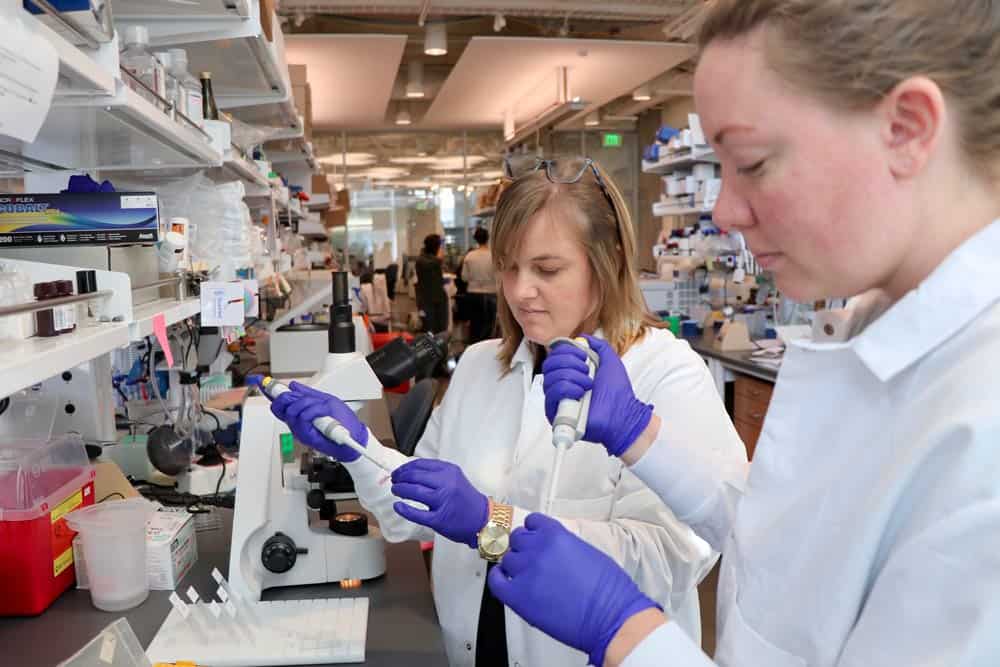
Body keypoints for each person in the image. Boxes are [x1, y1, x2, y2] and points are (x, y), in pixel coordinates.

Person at [486, 2, 1000, 666]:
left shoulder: (982, 426)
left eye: (752, 162)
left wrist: (623, 631)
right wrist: (641, 436)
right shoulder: (865, 332)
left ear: (906, 130)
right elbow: (784, 545)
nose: (725, 210)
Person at [268, 158, 746, 666]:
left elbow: (673, 560)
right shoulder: (479, 366)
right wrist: (358, 449)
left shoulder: (666, 372)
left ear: (608, 260)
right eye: (508, 266)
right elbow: (413, 514)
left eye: (547, 269)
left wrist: (489, 523)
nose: (519, 291)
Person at [459, 226, 498, 343]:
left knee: (475, 324)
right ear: (488, 238)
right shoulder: (493, 256)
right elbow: (499, 276)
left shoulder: (469, 256)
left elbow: (464, 277)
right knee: (489, 325)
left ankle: (474, 349)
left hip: (473, 294)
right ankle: (486, 351)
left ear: (475, 239)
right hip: (491, 293)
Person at [415, 233, 449, 334]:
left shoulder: (430, 259)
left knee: (441, 330)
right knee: (430, 331)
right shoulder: (423, 260)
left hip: (438, 299)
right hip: (428, 301)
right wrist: (439, 258)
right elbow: (432, 265)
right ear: (435, 246)